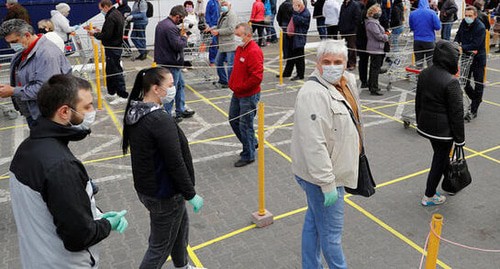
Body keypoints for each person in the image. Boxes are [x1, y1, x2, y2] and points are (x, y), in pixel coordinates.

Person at [10, 74, 129, 268]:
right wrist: (108, 225)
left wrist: (94, 214)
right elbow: (79, 237)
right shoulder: (61, 166)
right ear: (64, 112)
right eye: (87, 107)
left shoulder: (26, 150)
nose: (93, 112)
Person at [122, 67, 204, 269]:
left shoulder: (136, 111)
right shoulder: (159, 119)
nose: (174, 88)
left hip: (151, 189)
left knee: (179, 230)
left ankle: (182, 266)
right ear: (156, 89)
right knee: (159, 247)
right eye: (170, 85)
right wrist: (190, 193)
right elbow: (175, 161)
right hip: (164, 194)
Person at [291, 39, 361, 269]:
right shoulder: (312, 94)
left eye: (338, 61)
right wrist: (327, 183)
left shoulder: (347, 82)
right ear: (318, 64)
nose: (332, 66)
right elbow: (314, 144)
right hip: (323, 177)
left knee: (314, 223)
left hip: (332, 170)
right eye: (327, 62)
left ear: (345, 63)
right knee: (331, 235)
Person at [415, 40, 465, 206]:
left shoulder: (424, 73)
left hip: (427, 125)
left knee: (441, 156)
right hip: (443, 130)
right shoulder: (451, 81)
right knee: (439, 159)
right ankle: (429, 195)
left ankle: (450, 183)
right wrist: (460, 139)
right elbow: (456, 113)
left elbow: (418, 101)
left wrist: (419, 121)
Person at [0, 19, 71, 128]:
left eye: (14, 42)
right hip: (34, 113)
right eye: (9, 42)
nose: (12, 46)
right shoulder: (24, 51)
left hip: (46, 116)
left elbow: (46, 89)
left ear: (27, 35)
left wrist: (13, 91)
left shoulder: (47, 54)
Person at [228, 23, 264, 167]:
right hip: (238, 93)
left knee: (245, 124)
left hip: (248, 95)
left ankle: (248, 155)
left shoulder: (253, 51)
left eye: (238, 35)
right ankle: (252, 143)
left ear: (247, 35)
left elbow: (256, 77)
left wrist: (241, 87)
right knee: (233, 119)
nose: (235, 38)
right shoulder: (240, 48)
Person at [155, 5, 196, 122]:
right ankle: (167, 115)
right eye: (181, 19)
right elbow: (178, 45)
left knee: (180, 85)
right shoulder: (170, 28)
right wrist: (184, 37)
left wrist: (179, 33)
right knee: (171, 90)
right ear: (177, 16)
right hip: (171, 62)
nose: (182, 22)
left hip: (167, 61)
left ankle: (180, 109)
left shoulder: (162, 24)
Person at [89, 0, 128, 105]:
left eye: (101, 9)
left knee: (116, 71)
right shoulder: (117, 13)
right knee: (110, 70)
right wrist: (99, 32)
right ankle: (112, 92)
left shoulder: (111, 17)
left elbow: (107, 35)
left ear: (106, 7)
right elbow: (110, 31)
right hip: (114, 46)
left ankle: (122, 94)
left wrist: (94, 34)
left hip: (113, 47)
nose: (101, 11)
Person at [454, 6, 486, 120]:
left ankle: (474, 110)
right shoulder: (464, 23)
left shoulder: (480, 27)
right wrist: (456, 43)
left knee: (478, 83)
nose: (467, 18)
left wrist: (461, 47)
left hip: (478, 59)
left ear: (475, 16)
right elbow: (458, 34)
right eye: (466, 15)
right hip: (466, 57)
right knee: (464, 81)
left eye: (470, 16)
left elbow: (476, 44)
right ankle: (476, 99)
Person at [210, 0, 237, 88]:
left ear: (230, 5)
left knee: (230, 65)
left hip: (230, 44)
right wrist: (211, 28)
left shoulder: (232, 15)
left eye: (225, 4)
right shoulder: (223, 14)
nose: (223, 6)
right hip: (222, 44)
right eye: (222, 5)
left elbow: (231, 29)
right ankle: (223, 80)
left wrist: (218, 32)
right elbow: (219, 26)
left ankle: (231, 82)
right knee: (218, 62)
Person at [282, 0, 311, 81]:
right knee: (290, 56)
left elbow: (299, 21)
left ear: (299, 5)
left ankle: (300, 74)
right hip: (292, 37)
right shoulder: (297, 12)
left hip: (299, 38)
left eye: (294, 5)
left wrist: (295, 13)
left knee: (299, 58)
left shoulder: (305, 13)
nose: (293, 7)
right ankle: (287, 72)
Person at [409, 0, 441, 68]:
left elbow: (411, 27)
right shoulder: (432, 13)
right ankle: (430, 77)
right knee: (430, 62)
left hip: (417, 41)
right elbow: (438, 27)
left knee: (419, 62)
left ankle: (418, 77)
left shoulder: (413, 13)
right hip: (429, 40)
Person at [366, 4, 388, 96]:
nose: (379, 13)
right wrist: (386, 36)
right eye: (377, 12)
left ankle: (371, 85)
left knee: (373, 68)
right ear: (372, 13)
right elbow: (378, 35)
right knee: (375, 69)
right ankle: (374, 88)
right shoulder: (372, 23)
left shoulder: (374, 22)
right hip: (376, 48)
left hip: (376, 47)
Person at [356, 0, 377, 89]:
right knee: (370, 62)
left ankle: (364, 80)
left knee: (363, 61)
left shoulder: (362, 12)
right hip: (366, 41)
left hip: (361, 41)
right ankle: (367, 81)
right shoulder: (368, 16)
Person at [338, 0, 362, 70]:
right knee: (344, 48)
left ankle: (352, 63)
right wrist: (340, 27)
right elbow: (341, 16)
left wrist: (352, 28)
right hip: (343, 30)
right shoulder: (343, 5)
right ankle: (345, 63)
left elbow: (357, 18)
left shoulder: (355, 5)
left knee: (352, 48)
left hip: (351, 31)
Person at [205, 0, 220, 65]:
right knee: (213, 43)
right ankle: (212, 61)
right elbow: (207, 14)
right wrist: (208, 25)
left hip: (220, 25)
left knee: (220, 43)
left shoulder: (219, 2)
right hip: (212, 26)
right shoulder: (210, 2)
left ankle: (222, 59)